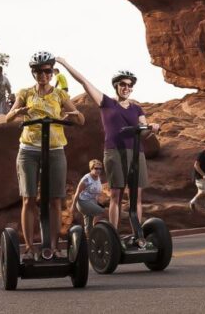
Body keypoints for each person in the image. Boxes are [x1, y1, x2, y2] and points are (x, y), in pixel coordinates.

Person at [56, 57, 160, 232]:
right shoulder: (106, 103)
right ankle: (113, 234)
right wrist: (64, 63)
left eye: (129, 85)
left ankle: (138, 235)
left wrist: (152, 128)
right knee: (116, 195)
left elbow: (143, 131)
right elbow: (84, 82)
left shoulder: (137, 109)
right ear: (116, 86)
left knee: (136, 195)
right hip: (114, 152)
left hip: (135, 153)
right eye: (122, 84)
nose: (126, 88)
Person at [6, 51, 85, 261]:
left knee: (55, 200)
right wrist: (18, 112)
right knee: (28, 198)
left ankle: (54, 247)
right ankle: (30, 248)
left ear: (52, 73)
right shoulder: (25, 93)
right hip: (29, 150)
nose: (43, 75)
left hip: (55, 149)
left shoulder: (60, 95)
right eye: (39, 71)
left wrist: (74, 115)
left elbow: (81, 119)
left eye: (47, 71)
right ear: (33, 73)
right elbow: (8, 117)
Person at [71, 159, 106, 235]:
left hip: (92, 202)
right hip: (83, 202)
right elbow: (77, 193)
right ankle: (97, 231)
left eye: (100, 169)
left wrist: (97, 203)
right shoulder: (86, 179)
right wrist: (73, 207)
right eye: (96, 168)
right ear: (91, 168)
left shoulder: (98, 178)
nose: (98, 170)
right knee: (101, 212)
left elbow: (96, 194)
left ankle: (89, 241)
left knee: (89, 226)